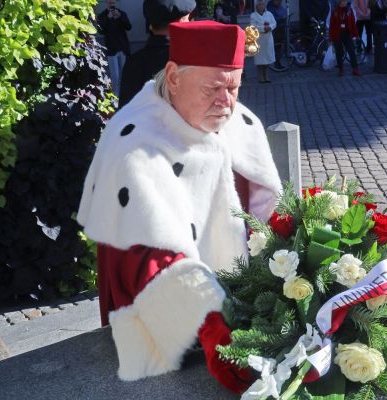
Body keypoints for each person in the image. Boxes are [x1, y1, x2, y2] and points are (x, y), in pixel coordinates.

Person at [77, 20, 282, 391]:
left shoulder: (236, 119)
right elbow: (147, 258)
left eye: (234, 87)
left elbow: (266, 211)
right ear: (173, 78)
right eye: (213, 88)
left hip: (241, 298)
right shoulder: (133, 143)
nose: (226, 102)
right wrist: (217, 329)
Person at [119, 0, 195, 108]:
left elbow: (124, 117)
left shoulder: (134, 63)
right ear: (181, 21)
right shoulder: (193, 61)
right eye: (188, 18)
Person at [97, 0, 132, 96]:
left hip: (122, 48)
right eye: (110, 3)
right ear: (107, 3)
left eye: (113, 3)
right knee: (115, 75)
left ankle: (125, 94)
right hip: (111, 49)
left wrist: (120, 17)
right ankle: (116, 96)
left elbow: (129, 27)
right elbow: (100, 31)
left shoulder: (121, 13)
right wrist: (108, 18)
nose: (112, 5)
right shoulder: (103, 15)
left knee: (124, 73)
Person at [330, 0, 362, 75]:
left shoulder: (349, 11)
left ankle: (355, 69)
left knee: (351, 51)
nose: (344, 3)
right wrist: (331, 38)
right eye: (343, 1)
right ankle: (341, 69)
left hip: (347, 34)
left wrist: (356, 35)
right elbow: (332, 26)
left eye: (345, 1)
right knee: (339, 53)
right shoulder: (335, 11)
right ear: (339, 2)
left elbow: (353, 23)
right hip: (337, 34)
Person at [251, 0, 277, 82]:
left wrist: (270, 27)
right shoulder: (253, 15)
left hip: (268, 39)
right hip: (259, 40)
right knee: (260, 60)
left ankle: (267, 75)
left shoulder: (269, 14)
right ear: (256, 6)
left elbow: (274, 23)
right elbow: (253, 27)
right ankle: (260, 76)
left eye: (263, 4)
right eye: (260, 5)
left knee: (267, 59)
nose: (261, 6)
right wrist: (263, 29)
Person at [267, 0, 288, 69]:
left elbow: (284, 12)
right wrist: (281, 18)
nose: (279, 2)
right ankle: (276, 63)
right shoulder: (270, 7)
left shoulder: (280, 6)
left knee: (279, 47)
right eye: (278, 1)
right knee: (276, 47)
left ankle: (278, 62)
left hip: (281, 28)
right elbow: (272, 18)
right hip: (275, 29)